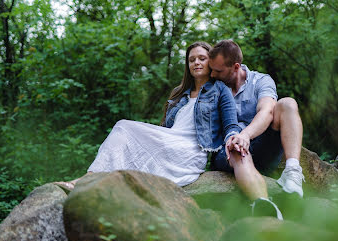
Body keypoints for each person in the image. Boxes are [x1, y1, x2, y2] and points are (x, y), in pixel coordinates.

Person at [55, 41, 242, 189]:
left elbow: (231, 124)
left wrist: (234, 139)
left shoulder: (220, 90)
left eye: (202, 58)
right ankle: (89, 180)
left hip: (189, 151)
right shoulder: (180, 93)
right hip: (169, 142)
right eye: (191, 59)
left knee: (123, 125)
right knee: (123, 129)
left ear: (210, 62)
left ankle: (86, 182)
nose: (196, 63)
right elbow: (165, 129)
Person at [208, 40, 305, 203]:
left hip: (261, 147)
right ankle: (263, 202)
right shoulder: (212, 88)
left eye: (218, 71)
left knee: (287, 103)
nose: (212, 75)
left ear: (236, 67)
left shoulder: (260, 81)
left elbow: (267, 111)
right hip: (229, 153)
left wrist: (245, 135)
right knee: (236, 147)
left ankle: (293, 172)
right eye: (211, 70)